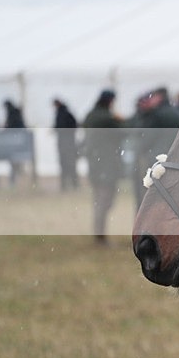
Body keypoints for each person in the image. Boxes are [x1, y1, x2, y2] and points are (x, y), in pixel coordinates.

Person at [82, 90, 125, 245]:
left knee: (100, 201)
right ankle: (100, 237)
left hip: (95, 164)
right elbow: (123, 130)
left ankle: (99, 234)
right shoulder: (106, 117)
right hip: (105, 165)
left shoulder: (92, 115)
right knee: (104, 201)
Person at [53, 99, 79, 191]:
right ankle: (74, 184)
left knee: (65, 164)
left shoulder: (60, 114)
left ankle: (65, 185)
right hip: (69, 143)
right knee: (71, 164)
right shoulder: (68, 113)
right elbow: (75, 125)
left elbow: (59, 127)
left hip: (64, 144)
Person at [3, 99, 26, 185]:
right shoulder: (17, 113)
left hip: (14, 142)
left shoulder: (11, 114)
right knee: (15, 162)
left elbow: (9, 127)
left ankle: (13, 180)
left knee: (14, 162)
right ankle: (15, 179)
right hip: (17, 141)